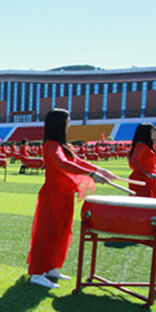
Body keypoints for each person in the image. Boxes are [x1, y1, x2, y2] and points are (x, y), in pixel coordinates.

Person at [27, 109, 113, 289]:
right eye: (68, 121)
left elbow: (77, 161)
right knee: (47, 233)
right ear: (60, 124)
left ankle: (50, 267)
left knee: (61, 232)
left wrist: (99, 170)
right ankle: (37, 273)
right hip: (53, 195)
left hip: (65, 194)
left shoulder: (62, 145)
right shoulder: (51, 145)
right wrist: (91, 174)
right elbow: (63, 164)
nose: (70, 124)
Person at [128, 123, 156, 197]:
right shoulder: (142, 145)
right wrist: (147, 172)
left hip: (147, 177)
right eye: (154, 131)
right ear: (146, 132)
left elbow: (147, 163)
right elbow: (133, 161)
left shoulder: (147, 145)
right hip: (141, 179)